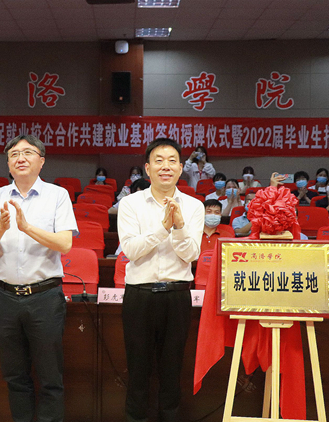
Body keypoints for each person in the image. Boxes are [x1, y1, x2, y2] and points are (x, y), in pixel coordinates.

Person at [0, 134, 78, 422]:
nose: (20, 158)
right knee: (15, 376)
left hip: (45, 297)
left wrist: (26, 227)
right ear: (8, 163)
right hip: (5, 298)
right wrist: (1, 227)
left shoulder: (57, 195)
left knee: (50, 377)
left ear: (41, 161)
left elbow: (65, 244)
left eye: (28, 152)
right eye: (14, 154)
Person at [117, 137, 204, 422]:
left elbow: (191, 254)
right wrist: (164, 227)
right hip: (139, 296)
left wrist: (178, 226)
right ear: (147, 168)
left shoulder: (194, 206)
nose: (165, 166)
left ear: (180, 168)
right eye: (158, 161)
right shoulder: (130, 204)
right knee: (137, 370)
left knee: (172, 370)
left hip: (177, 296)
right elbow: (132, 250)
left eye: (172, 161)